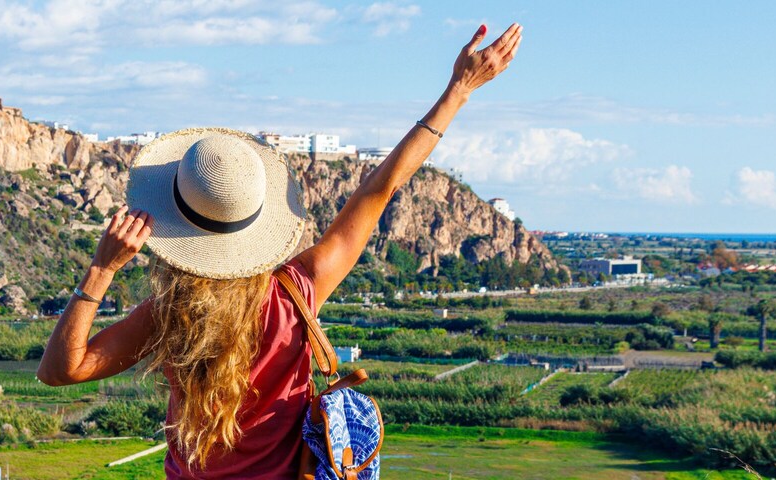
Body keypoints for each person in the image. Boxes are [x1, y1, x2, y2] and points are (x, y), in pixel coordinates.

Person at [38, 23, 523, 479]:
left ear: (174, 227)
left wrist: (102, 268)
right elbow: (381, 190)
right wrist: (457, 91)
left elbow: (60, 371)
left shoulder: (171, 315)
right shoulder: (299, 289)